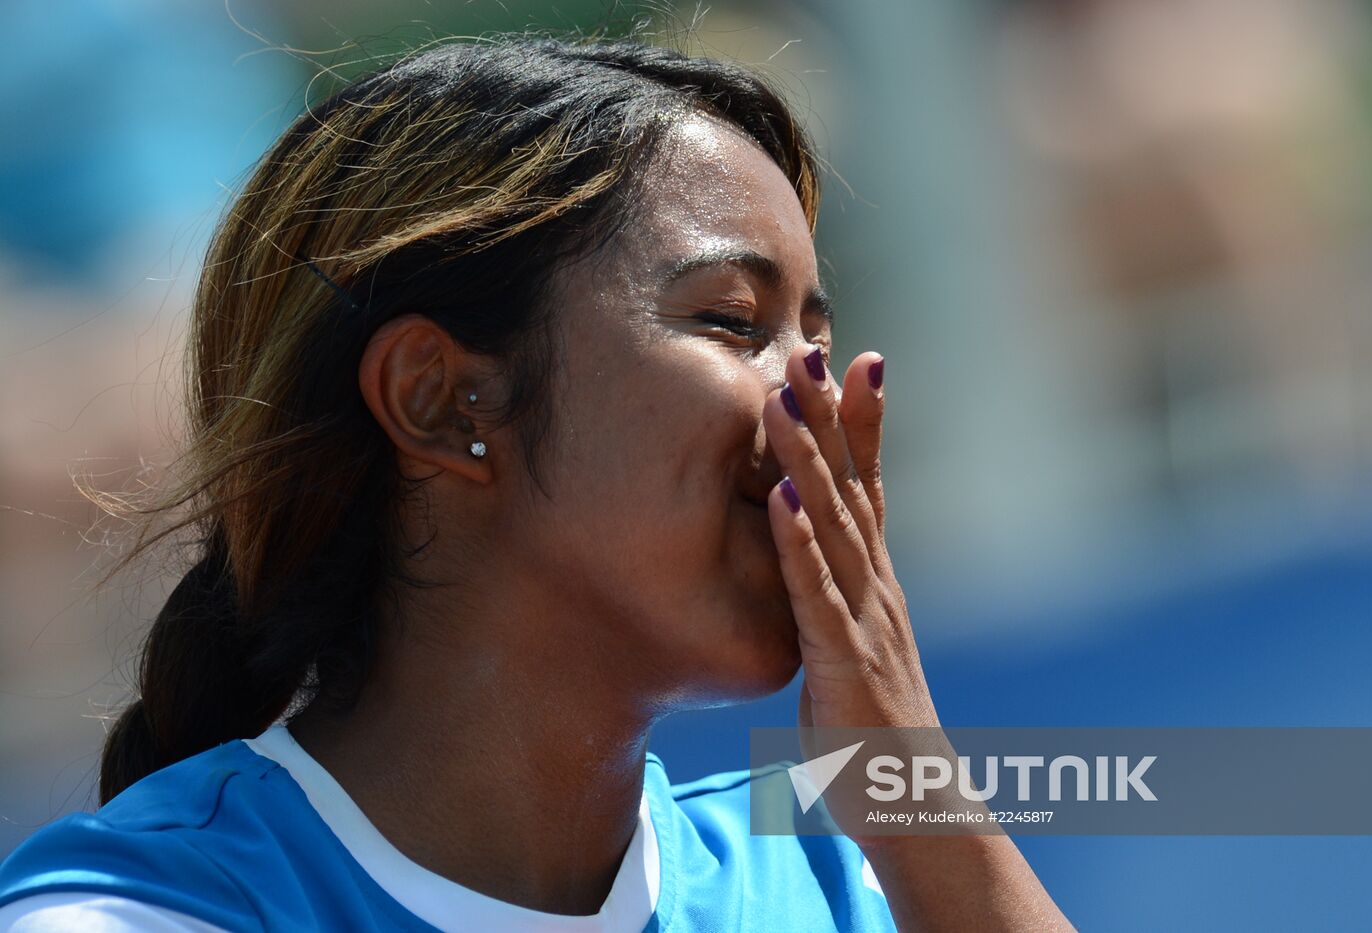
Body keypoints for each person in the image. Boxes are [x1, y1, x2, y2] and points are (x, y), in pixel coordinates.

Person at [0, 36, 1071, 931]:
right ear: (442, 399)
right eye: (733, 321)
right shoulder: (142, 914)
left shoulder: (847, 881)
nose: (815, 400)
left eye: (818, 343)